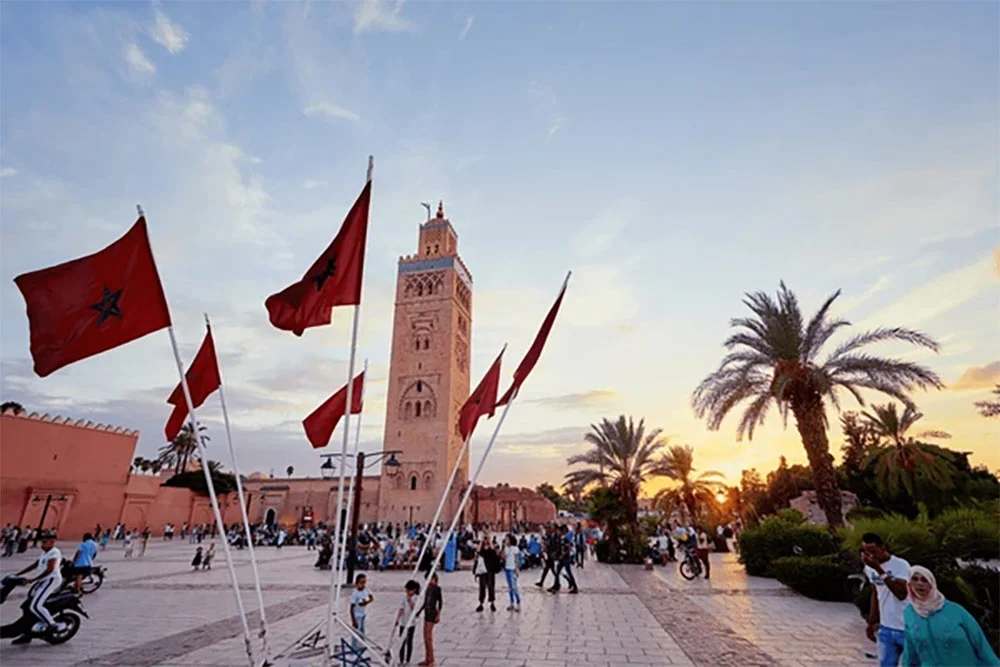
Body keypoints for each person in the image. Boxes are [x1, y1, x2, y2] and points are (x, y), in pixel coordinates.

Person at [901, 566, 1000, 666]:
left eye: (924, 580)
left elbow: (980, 644)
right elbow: (910, 651)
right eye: (915, 579)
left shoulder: (955, 611)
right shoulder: (909, 613)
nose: (919, 584)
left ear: (932, 584)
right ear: (909, 584)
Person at [861, 532, 910, 667]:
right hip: (886, 627)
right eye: (866, 552)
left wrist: (879, 570)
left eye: (873, 551)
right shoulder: (869, 568)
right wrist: (871, 622)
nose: (871, 556)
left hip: (905, 627)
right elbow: (875, 593)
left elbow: (901, 594)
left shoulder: (901, 565)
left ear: (883, 548)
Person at [11, 532, 66, 642]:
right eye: (42, 542)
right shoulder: (45, 553)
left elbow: (50, 569)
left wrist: (33, 580)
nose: (42, 544)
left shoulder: (54, 552)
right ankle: (28, 632)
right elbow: (36, 564)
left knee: (35, 606)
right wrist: (18, 574)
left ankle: (52, 624)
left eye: (45, 542)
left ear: (52, 542)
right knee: (29, 606)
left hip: (51, 580)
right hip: (43, 581)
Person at [419, 573, 442, 667]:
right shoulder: (427, 589)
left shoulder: (437, 589)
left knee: (428, 638)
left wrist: (438, 614)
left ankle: (432, 660)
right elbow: (425, 602)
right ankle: (427, 658)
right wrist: (420, 611)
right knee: (425, 637)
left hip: (432, 613)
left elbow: (440, 602)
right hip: (426, 613)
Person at [395, 579, 421, 665]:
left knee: (409, 641)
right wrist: (397, 619)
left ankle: (408, 659)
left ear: (413, 590)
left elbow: (415, 609)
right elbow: (401, 609)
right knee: (402, 641)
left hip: (411, 623)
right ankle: (401, 659)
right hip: (403, 622)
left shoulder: (416, 598)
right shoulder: (404, 598)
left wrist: (410, 601)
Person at [474, 539, 498, 613]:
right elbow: (477, 551)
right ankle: (481, 603)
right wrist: (481, 540)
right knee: (482, 587)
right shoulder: (481, 549)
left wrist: (489, 537)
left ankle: (492, 603)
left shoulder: (491, 549)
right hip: (483, 571)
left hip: (490, 570)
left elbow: (493, 551)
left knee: (491, 587)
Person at [350, 573, 373, 651]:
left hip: (363, 614)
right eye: (361, 583)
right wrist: (353, 620)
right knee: (355, 631)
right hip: (356, 615)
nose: (363, 585)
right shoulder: (355, 594)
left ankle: (362, 644)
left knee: (362, 631)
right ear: (357, 584)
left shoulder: (366, 589)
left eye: (364, 582)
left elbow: (371, 598)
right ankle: (354, 646)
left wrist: (366, 602)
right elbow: (351, 608)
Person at [503, 535, 522, 612]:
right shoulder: (506, 548)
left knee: (514, 587)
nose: (506, 541)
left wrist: (517, 569)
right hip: (507, 568)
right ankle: (511, 603)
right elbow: (503, 557)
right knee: (510, 587)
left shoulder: (515, 549)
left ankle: (518, 603)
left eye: (507, 540)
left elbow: (516, 559)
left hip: (512, 569)